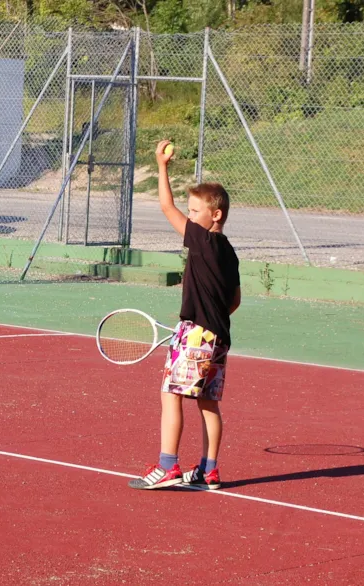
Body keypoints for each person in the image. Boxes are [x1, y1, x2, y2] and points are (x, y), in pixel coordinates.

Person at [128, 140, 241, 491]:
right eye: (189, 212)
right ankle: (209, 470)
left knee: (170, 394)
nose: (189, 217)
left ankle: (167, 467)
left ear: (215, 215)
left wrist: (161, 165)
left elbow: (166, 206)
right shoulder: (229, 253)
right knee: (208, 403)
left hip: (196, 335)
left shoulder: (203, 241)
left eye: (195, 212)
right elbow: (234, 300)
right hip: (219, 336)